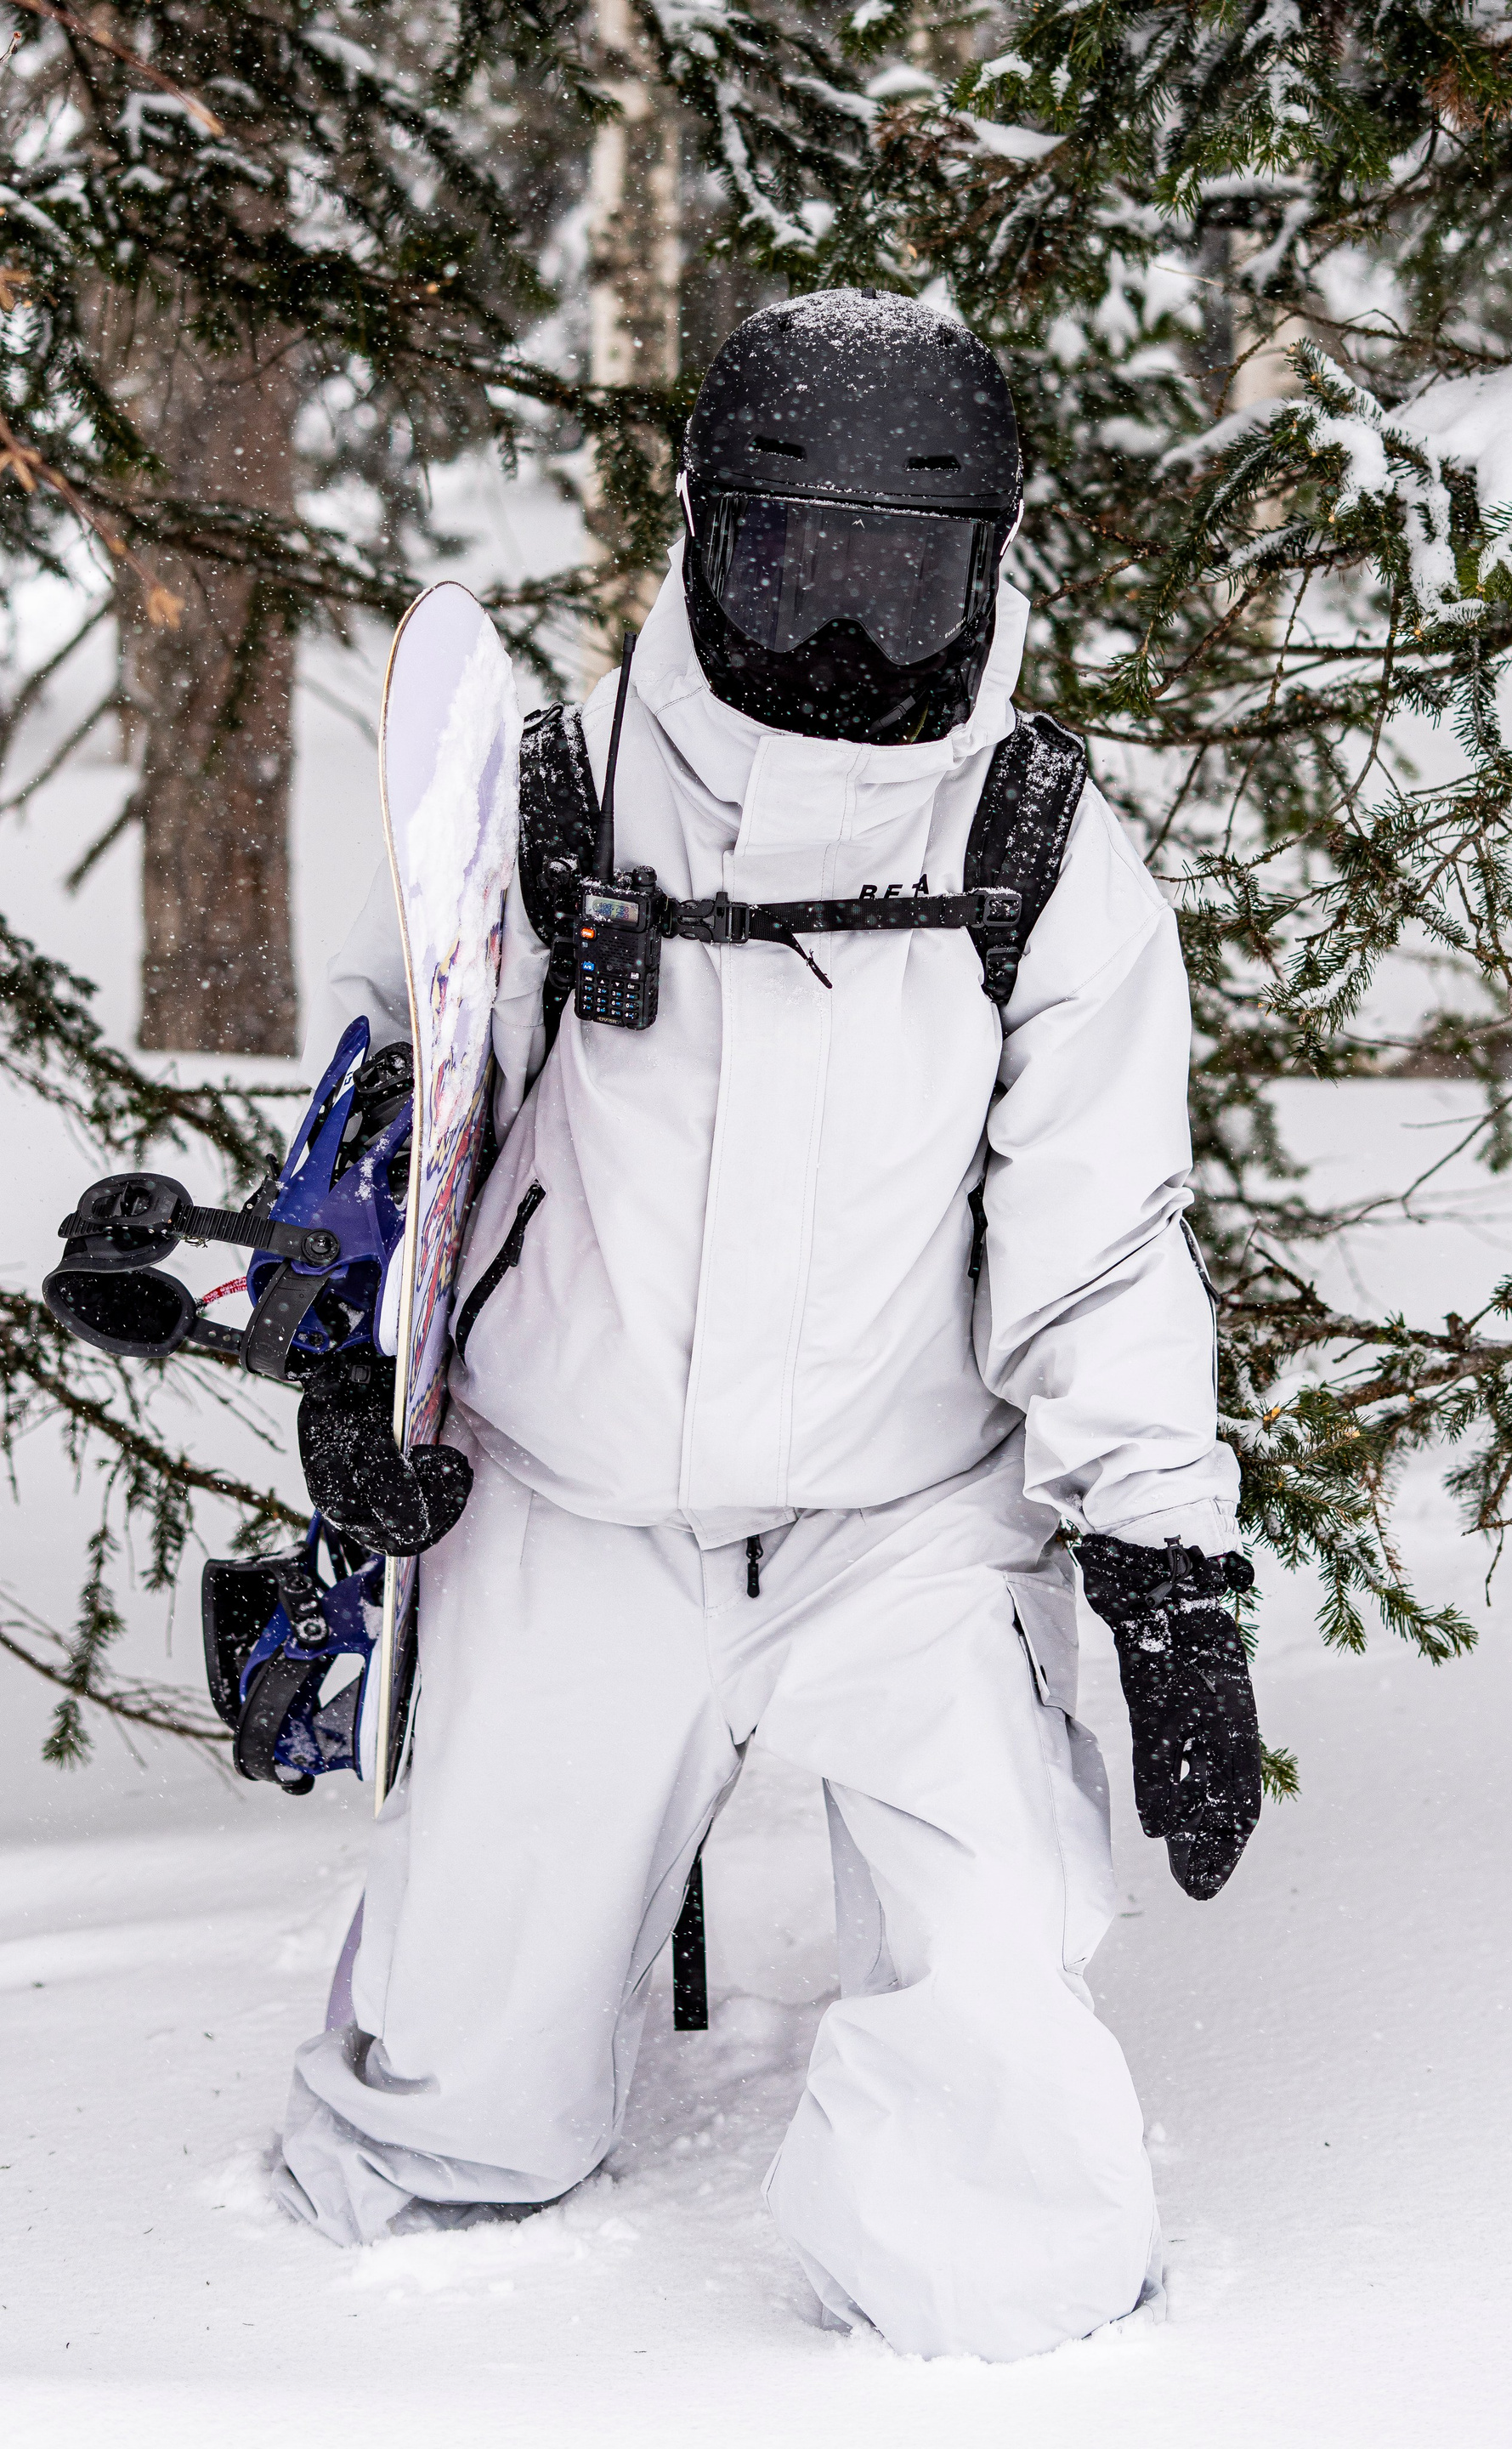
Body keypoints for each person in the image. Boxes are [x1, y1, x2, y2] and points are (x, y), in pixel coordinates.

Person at [272, 289, 1261, 2362]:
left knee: (1010, 2222)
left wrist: (1172, 1583)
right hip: (573, 1496)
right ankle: (495, 1998)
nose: (842, 643)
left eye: (902, 585)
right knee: (439, 2132)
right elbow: (400, 1120)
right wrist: (348, 1356)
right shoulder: (550, 803)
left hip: (907, 1526)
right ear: (709, 537)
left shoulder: (1036, 849)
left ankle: (978, 2246)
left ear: (985, 567)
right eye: (794, 564)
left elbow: (1100, 1244)